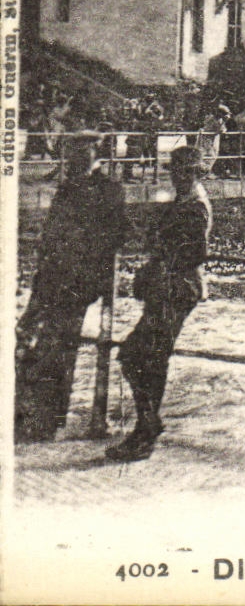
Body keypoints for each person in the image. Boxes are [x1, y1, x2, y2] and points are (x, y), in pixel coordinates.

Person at [15, 137, 135, 442]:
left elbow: (117, 235)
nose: (73, 162)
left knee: (57, 347)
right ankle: (28, 415)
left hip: (75, 283)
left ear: (96, 156)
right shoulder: (70, 188)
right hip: (51, 278)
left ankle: (44, 421)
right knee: (35, 341)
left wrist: (86, 270)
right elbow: (51, 235)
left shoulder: (109, 191)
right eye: (71, 158)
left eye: (81, 156)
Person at [105, 145, 212, 462]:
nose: (177, 176)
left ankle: (147, 430)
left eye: (183, 171)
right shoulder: (184, 199)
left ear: (194, 172)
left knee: (145, 354)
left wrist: (161, 265)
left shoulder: (195, 204)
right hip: (167, 288)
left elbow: (197, 253)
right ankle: (147, 424)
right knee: (141, 354)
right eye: (175, 171)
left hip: (177, 289)